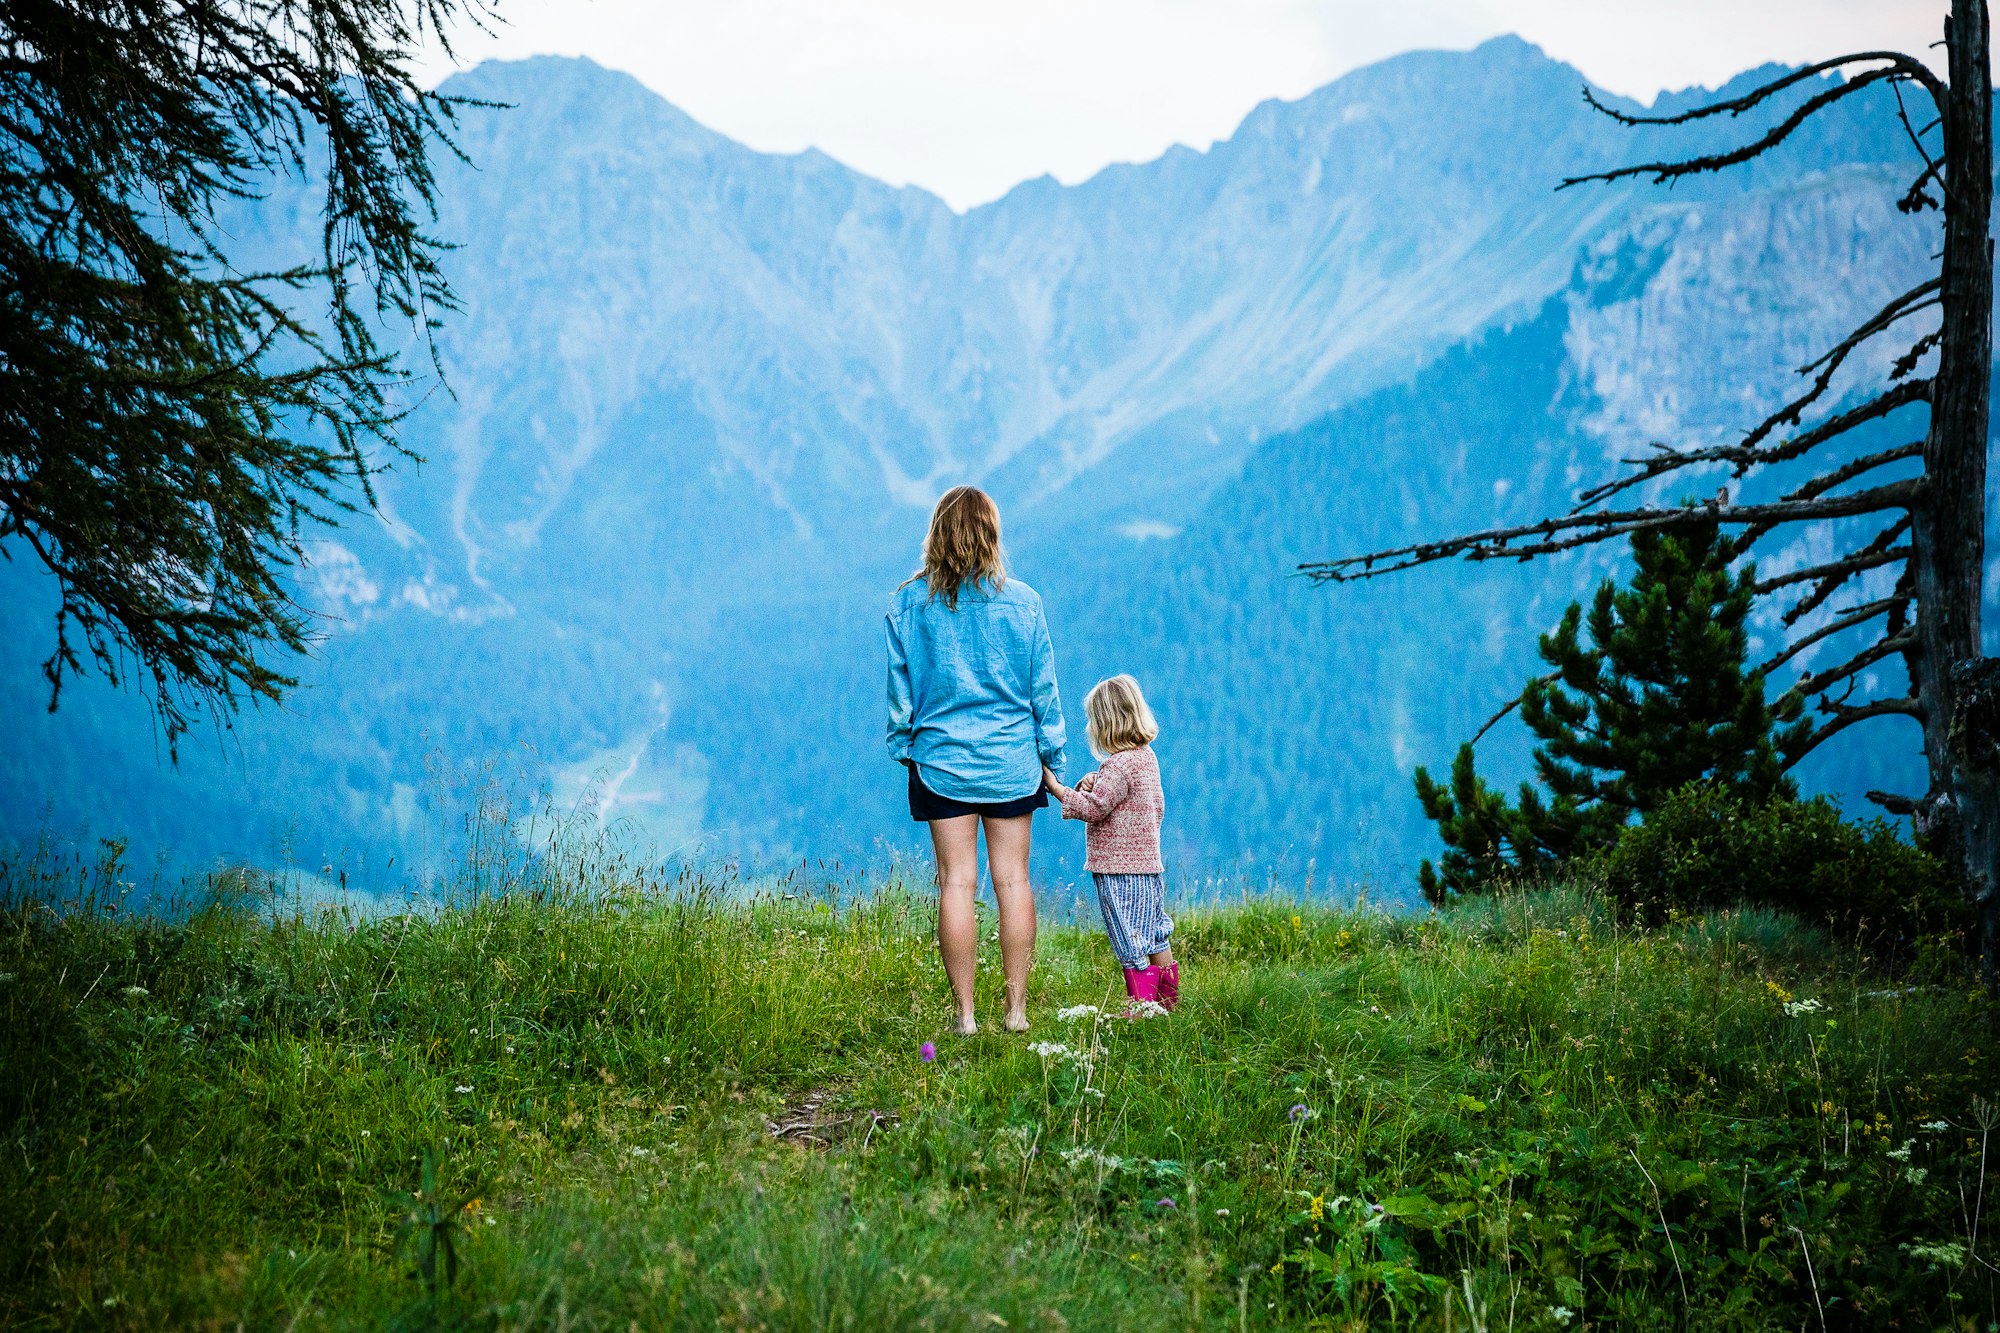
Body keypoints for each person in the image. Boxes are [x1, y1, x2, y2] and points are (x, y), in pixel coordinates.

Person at [886, 486, 1067, 1035]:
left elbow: (901, 693)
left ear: (936, 535)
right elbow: (1045, 694)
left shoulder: (906, 604)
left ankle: (965, 1017)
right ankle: (1015, 1013)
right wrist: (1052, 758)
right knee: (1013, 881)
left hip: (941, 763)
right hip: (1013, 762)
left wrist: (905, 747)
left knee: (956, 884)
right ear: (992, 534)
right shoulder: (1025, 603)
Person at [1041, 674, 1177, 1010]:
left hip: (1118, 870)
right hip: (1149, 866)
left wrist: (1058, 789)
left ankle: (1142, 1010)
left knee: (1128, 939)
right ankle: (1169, 1005)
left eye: (1092, 720)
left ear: (1106, 723)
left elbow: (1095, 807)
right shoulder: (1146, 758)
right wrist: (1096, 778)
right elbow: (1149, 803)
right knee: (1156, 931)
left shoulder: (1118, 765)